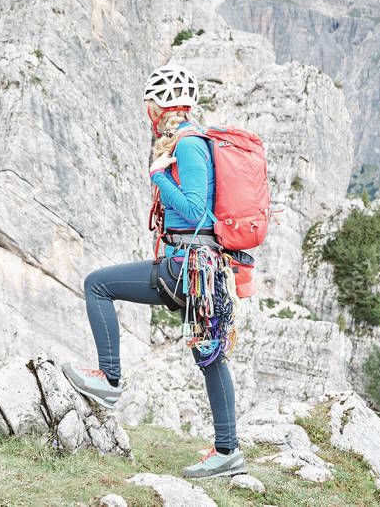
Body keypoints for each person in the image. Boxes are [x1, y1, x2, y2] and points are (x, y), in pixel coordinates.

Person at [62, 63, 244, 479]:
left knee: (97, 285)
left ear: (159, 106)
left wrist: (159, 177)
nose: (147, 111)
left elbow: (196, 211)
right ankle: (227, 451)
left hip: (186, 268)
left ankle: (109, 380)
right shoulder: (188, 141)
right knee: (210, 355)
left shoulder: (188, 146)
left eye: (149, 103)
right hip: (201, 271)